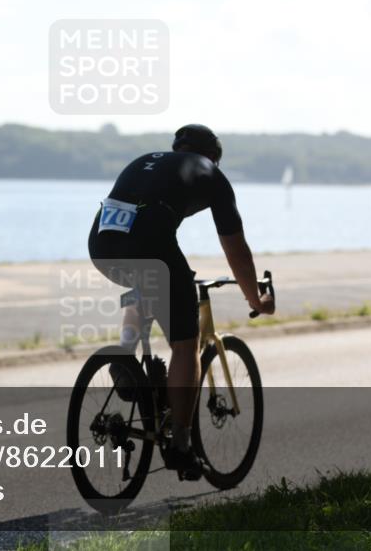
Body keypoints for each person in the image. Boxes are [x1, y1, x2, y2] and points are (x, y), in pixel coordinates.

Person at [87, 124, 274, 480]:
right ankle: (182, 446)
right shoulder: (212, 175)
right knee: (185, 345)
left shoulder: (147, 161)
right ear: (214, 156)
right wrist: (256, 298)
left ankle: (124, 355)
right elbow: (236, 249)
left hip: (101, 245)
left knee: (145, 282)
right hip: (148, 245)